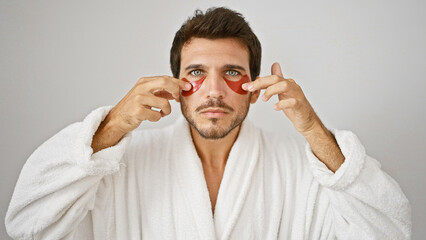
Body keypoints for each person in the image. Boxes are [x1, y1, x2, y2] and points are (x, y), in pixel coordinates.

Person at [5, 6, 411, 240]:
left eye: (232, 72)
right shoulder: (121, 164)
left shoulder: (300, 168)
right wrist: (112, 126)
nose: (214, 90)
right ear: (177, 85)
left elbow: (390, 230)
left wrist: (312, 130)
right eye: (196, 72)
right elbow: (27, 222)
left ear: (253, 88)